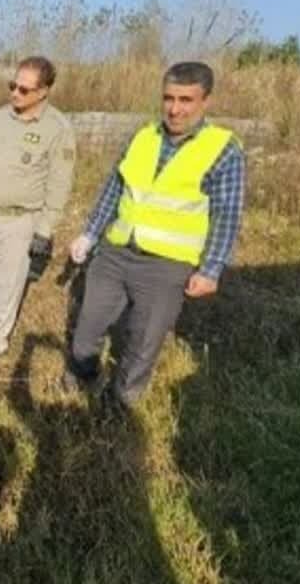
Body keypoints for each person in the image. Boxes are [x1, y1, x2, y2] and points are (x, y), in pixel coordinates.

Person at [66, 61, 245, 409]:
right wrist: (89, 234)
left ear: (205, 101)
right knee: (87, 329)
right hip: (115, 252)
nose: (174, 109)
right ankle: (83, 378)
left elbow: (227, 214)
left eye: (186, 100)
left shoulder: (223, 149)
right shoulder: (143, 136)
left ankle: (120, 406)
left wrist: (211, 269)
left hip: (167, 265)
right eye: (168, 98)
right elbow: (114, 189)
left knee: (142, 341)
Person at [0, 56, 76, 362]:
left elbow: (59, 185)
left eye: (24, 90)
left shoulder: (57, 129)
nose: (15, 94)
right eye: (13, 85)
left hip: (19, 221)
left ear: (44, 91)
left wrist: (45, 230)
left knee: (9, 284)